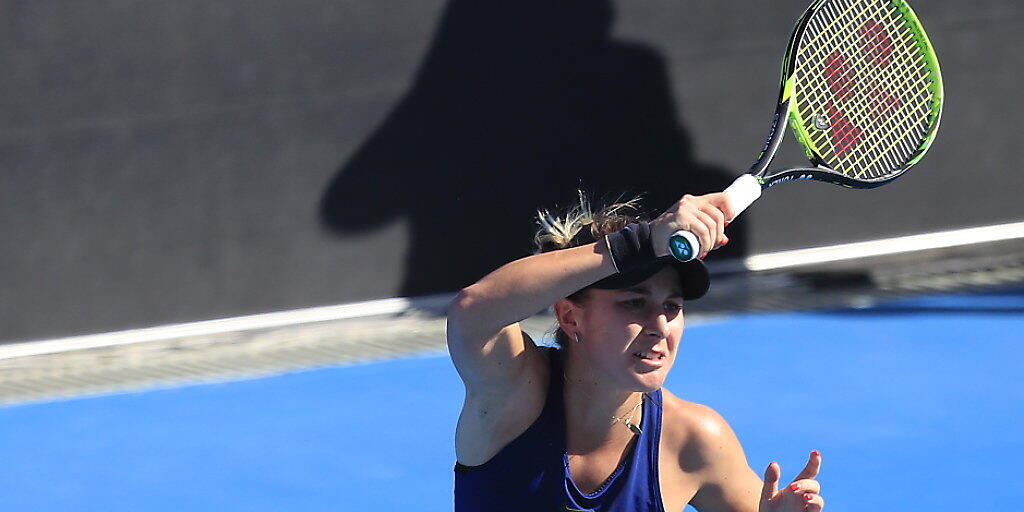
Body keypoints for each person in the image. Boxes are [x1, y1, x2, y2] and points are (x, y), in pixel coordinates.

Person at [447, 192, 825, 512]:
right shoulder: (514, 394)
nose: (660, 325)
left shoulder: (694, 439)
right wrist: (639, 244)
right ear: (570, 318)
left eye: (671, 307)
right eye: (633, 303)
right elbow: (474, 310)